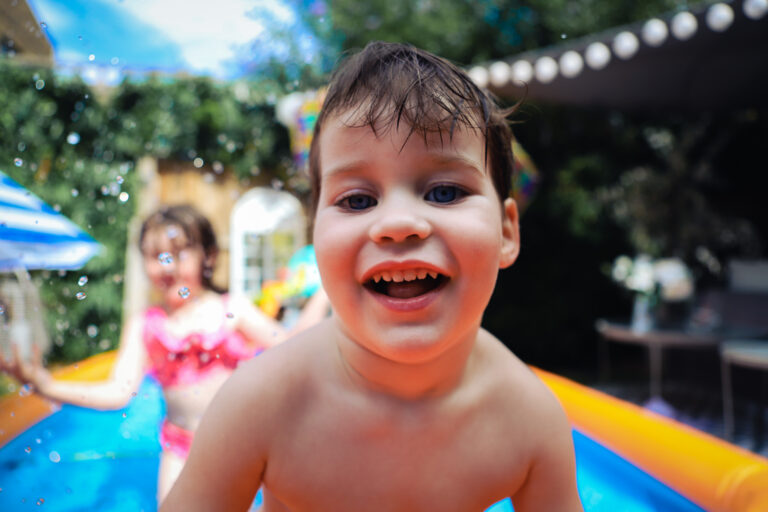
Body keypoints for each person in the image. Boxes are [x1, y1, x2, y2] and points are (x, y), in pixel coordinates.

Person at [161, 42, 582, 512]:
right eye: (358, 200)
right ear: (315, 235)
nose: (398, 223)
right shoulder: (263, 402)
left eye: (444, 192)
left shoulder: (528, 420)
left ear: (506, 231)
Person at [0, 204, 329, 501]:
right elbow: (118, 392)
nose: (167, 266)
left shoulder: (233, 311)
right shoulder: (146, 326)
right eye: (155, 256)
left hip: (241, 444)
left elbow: (292, 345)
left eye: (179, 253)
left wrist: (326, 291)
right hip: (181, 448)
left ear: (209, 256)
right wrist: (46, 385)